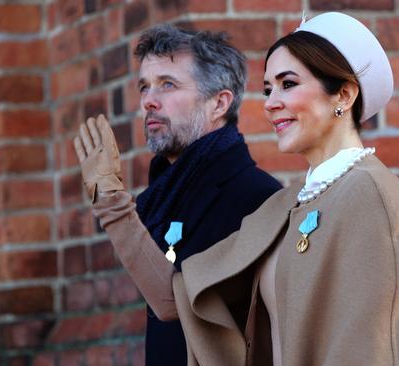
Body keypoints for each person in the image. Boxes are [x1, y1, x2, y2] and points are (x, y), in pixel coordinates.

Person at [75, 12, 399, 366]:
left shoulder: (370, 192)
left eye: (288, 84)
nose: (270, 102)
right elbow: (177, 298)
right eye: (268, 89)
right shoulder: (286, 205)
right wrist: (109, 197)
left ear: (343, 95)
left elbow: (369, 351)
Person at [74, 25, 282, 365]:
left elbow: (175, 304)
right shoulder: (158, 200)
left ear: (219, 102)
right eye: (144, 87)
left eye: (167, 84)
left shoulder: (257, 199)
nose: (148, 101)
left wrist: (112, 204)